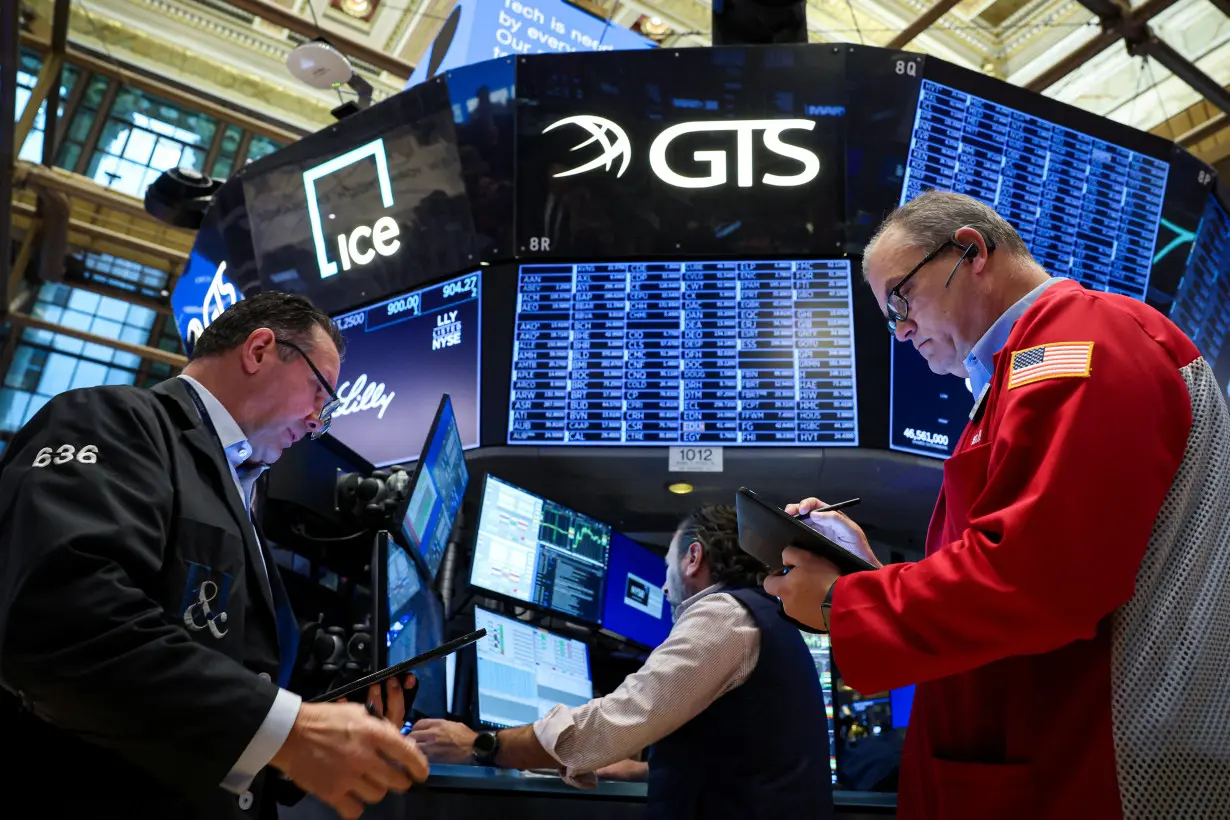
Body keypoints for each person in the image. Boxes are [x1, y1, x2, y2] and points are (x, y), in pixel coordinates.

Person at [764, 190, 1230, 818]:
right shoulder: (1028, 369)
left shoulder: (1079, 347)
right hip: (1041, 758)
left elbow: (1039, 582)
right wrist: (869, 572)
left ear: (971, 251)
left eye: (900, 298)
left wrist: (841, 602)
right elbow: (1010, 566)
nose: (900, 330)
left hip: (1101, 770)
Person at [0, 292, 429, 820]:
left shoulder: (244, 494)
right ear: (260, 350)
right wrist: (286, 728)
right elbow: (58, 621)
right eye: (322, 392)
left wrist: (327, 726)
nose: (320, 422)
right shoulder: (111, 419)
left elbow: (223, 679)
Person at [410, 503, 833, 820]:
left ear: (693, 558)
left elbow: (609, 724)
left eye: (666, 565)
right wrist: (637, 770)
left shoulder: (724, 616)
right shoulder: (761, 614)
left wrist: (480, 746)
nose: (665, 588)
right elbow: (738, 758)